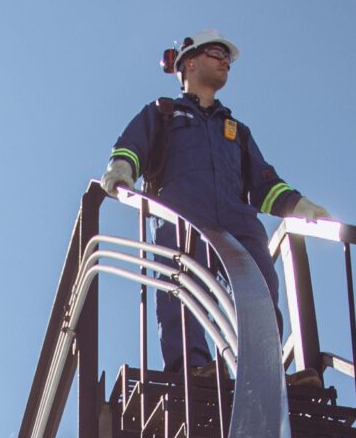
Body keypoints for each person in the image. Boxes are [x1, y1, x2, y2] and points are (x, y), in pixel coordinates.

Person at [100, 29, 333, 372]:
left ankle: (264, 372)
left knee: (258, 290)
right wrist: (121, 169)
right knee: (181, 289)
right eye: (216, 54)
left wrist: (302, 207)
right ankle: (192, 370)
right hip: (181, 213)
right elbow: (131, 146)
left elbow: (264, 184)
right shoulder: (163, 114)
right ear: (189, 63)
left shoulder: (235, 130)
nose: (225, 61)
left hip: (237, 219)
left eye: (228, 58)